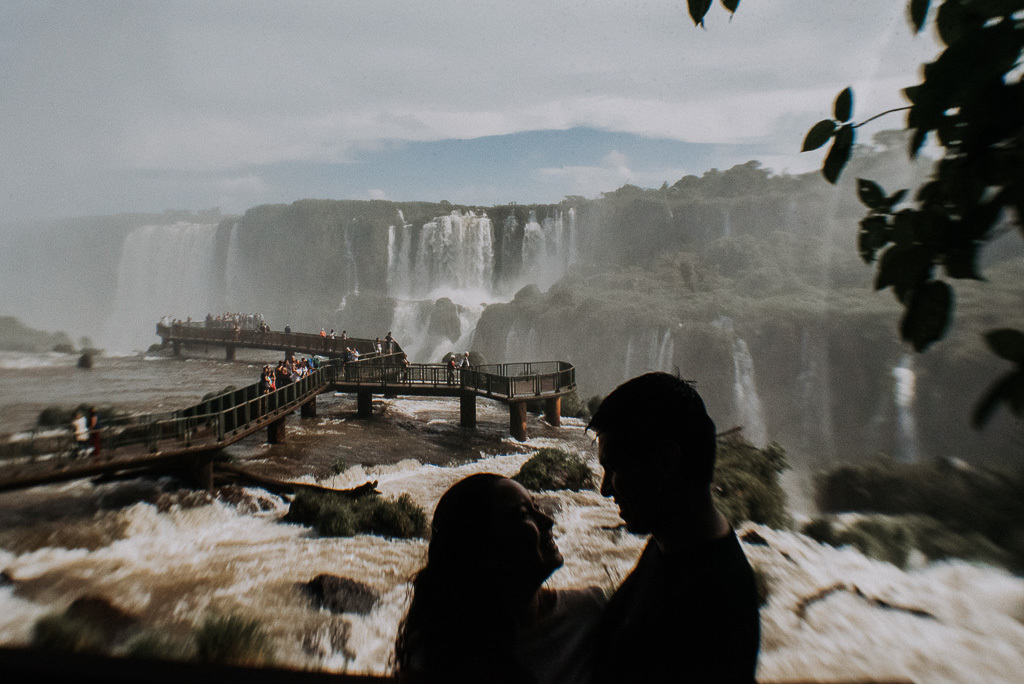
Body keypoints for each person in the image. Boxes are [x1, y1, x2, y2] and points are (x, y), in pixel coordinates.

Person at [586, 372, 761, 683]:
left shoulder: (712, 613)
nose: (605, 490)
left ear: (665, 461)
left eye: (612, 469)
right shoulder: (669, 544)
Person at [394, 473, 603, 683]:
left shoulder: (591, 612)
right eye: (523, 514)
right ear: (485, 551)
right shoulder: (440, 647)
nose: (548, 521)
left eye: (536, 507)